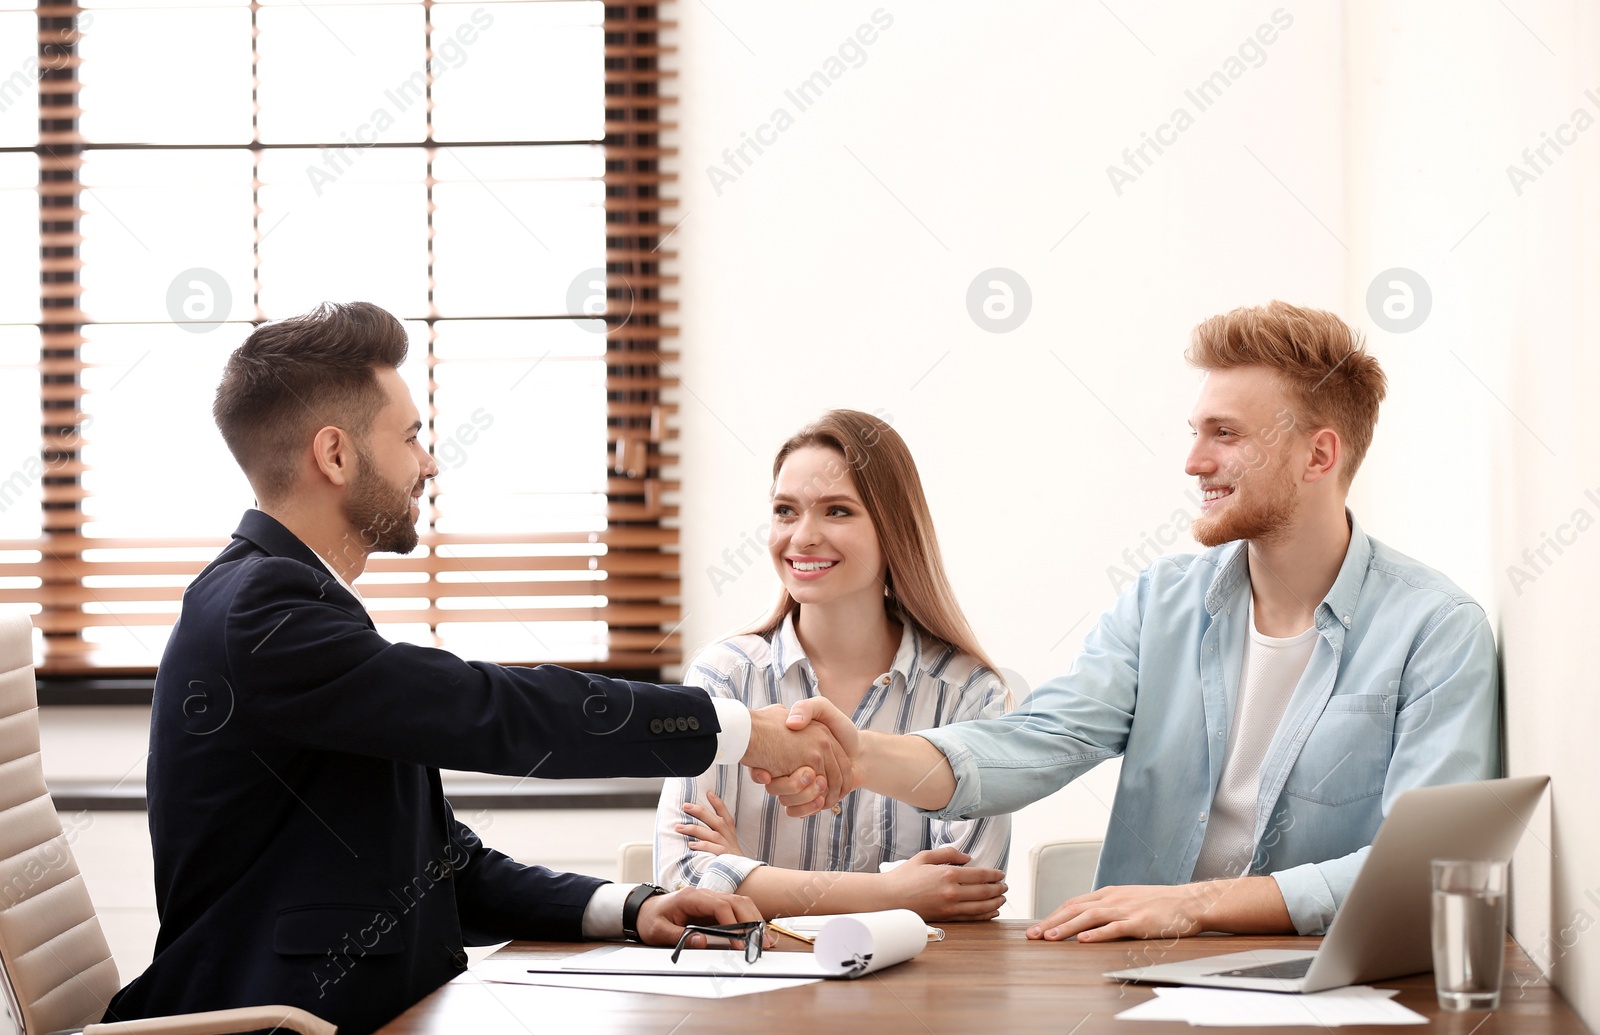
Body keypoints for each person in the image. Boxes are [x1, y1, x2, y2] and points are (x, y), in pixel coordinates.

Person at [104, 303, 847, 1035]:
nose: (428, 461)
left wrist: (631, 908)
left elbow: (439, 867)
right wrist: (740, 731)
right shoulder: (262, 611)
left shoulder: (293, 604)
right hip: (283, 1021)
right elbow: (493, 710)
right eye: (410, 437)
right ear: (334, 454)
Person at [761, 301, 1500, 943]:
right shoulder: (1161, 604)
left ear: (1319, 454)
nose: (1192, 460)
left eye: (1225, 434)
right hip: (1141, 981)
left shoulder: (1435, 630)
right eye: (1194, 430)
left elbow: (1418, 870)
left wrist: (1198, 907)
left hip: (1328, 986)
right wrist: (860, 759)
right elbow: (1040, 740)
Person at [654, 410, 1011, 921]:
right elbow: (686, 876)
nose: (802, 537)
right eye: (784, 511)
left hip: (913, 992)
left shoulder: (967, 693)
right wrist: (895, 893)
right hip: (753, 986)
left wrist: (744, 872)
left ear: (893, 528)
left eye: (837, 511)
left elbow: (965, 888)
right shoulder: (724, 677)